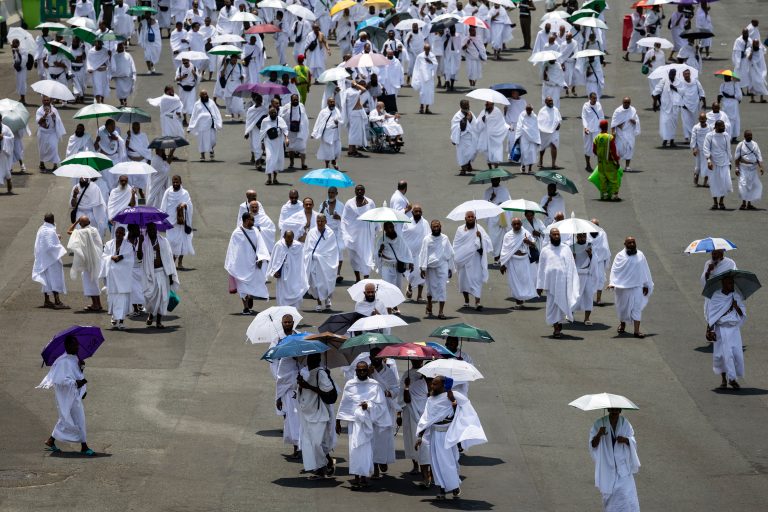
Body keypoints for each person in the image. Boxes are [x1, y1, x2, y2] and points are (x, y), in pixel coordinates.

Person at [415, 375, 487, 500]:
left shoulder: (454, 395)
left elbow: (463, 412)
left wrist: (453, 402)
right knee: (436, 463)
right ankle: (441, 489)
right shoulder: (430, 400)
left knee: (448, 462)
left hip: (448, 435)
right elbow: (426, 419)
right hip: (434, 435)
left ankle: (454, 485)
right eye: (432, 384)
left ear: (443, 385)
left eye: (435, 384)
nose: (432, 386)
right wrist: (420, 436)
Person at [336, 361, 392, 489]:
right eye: (359, 370)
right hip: (354, 423)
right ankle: (356, 477)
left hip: (368, 423)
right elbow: (344, 403)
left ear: (368, 371)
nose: (362, 372)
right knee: (354, 449)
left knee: (367, 450)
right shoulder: (350, 385)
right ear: (355, 371)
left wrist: (369, 406)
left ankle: (364, 477)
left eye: (364, 370)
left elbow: (381, 405)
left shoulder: (374, 385)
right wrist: (338, 421)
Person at [38, 336, 94, 456]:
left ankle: (51, 440)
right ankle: (84, 446)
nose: (77, 346)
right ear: (67, 346)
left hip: (73, 394)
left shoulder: (75, 359)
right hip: (66, 395)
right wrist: (76, 383)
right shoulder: (62, 361)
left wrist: (81, 368)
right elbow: (60, 381)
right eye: (74, 344)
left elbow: (76, 374)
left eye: (77, 344)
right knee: (75, 418)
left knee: (70, 417)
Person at [589, 408, 641, 511]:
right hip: (607, 466)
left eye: (616, 412)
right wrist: (599, 434)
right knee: (611, 495)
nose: (614, 414)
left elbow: (633, 441)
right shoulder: (599, 423)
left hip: (623, 467)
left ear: (620, 411)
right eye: (612, 411)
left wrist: (625, 440)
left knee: (626, 494)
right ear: (608, 410)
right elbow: (593, 445)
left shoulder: (625, 423)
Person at [297, 353, 337, 479]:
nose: (309, 362)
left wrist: (308, 386)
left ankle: (322, 468)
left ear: (317, 361)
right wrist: (301, 383)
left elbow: (328, 391)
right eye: (308, 359)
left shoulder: (321, 373)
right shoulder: (309, 373)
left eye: (312, 359)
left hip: (319, 413)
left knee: (316, 443)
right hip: (308, 413)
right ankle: (326, 464)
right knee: (314, 443)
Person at [706, 275, 747, 390]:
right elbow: (712, 315)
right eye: (729, 283)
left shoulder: (736, 296)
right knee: (722, 356)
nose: (732, 285)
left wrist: (736, 306)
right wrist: (711, 330)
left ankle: (733, 377)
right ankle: (728, 379)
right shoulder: (716, 296)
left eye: (732, 283)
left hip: (734, 330)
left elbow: (742, 313)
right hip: (721, 329)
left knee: (736, 354)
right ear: (724, 284)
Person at [536, 228, 579, 338]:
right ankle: (556, 326)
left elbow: (571, 266)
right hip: (550, 284)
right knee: (552, 305)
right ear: (550, 236)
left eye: (558, 235)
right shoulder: (545, 250)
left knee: (561, 305)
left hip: (563, 283)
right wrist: (539, 286)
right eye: (554, 235)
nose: (556, 237)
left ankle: (558, 325)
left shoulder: (566, 249)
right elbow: (541, 269)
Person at [226, 212, 271, 315]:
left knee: (253, 283)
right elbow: (233, 250)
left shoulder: (255, 231)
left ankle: (250, 296)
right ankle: (245, 307)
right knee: (242, 286)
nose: (253, 222)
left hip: (254, 264)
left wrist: (261, 257)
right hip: (241, 264)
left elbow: (261, 245)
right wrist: (233, 264)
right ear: (246, 220)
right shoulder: (237, 233)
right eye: (251, 220)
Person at [609, 237, 653, 339]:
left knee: (636, 309)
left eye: (633, 242)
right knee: (623, 308)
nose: (632, 244)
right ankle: (622, 325)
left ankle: (636, 331)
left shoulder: (640, 255)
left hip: (637, 286)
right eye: (629, 243)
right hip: (622, 288)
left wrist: (646, 284)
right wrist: (612, 283)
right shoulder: (620, 256)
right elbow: (615, 271)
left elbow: (645, 270)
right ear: (625, 244)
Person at [398, 359, 431, 485]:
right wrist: (398, 413)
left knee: (426, 443)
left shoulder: (433, 382)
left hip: (426, 416)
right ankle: (416, 464)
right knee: (412, 438)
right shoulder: (407, 374)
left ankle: (430, 472)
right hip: (411, 412)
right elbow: (403, 395)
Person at [452, 211, 492, 311]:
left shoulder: (480, 229)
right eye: (468, 217)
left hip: (475, 259)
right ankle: (466, 301)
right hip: (463, 259)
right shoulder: (460, 229)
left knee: (476, 279)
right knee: (464, 281)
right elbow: (456, 244)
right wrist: (459, 256)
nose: (470, 218)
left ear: (475, 218)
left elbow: (487, 242)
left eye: (472, 217)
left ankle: (477, 302)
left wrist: (480, 237)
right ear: (465, 219)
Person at [141, 222, 178, 329]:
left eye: (154, 229)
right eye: (150, 229)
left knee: (162, 297)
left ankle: (158, 321)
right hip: (150, 274)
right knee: (150, 297)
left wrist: (170, 276)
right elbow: (139, 257)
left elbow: (169, 259)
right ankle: (151, 314)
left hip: (163, 273)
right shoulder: (144, 243)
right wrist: (139, 244)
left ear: (156, 229)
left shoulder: (163, 241)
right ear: (147, 230)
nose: (152, 231)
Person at [419, 220, 455, 319]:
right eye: (434, 227)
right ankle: (429, 304)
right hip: (430, 267)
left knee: (442, 288)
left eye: (437, 226)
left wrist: (450, 268)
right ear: (431, 228)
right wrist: (422, 268)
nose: (436, 228)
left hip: (442, 266)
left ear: (440, 227)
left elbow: (450, 254)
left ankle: (441, 312)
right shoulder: (427, 239)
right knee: (430, 289)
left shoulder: (445, 238)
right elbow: (423, 254)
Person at [66, 216, 103, 312]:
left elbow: (69, 231)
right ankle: (97, 304)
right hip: (95, 259)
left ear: (80, 224)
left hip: (88, 261)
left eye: (80, 223)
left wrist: (76, 221)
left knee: (90, 282)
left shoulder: (82, 232)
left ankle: (96, 305)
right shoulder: (94, 230)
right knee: (93, 281)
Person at [32, 213, 69, 310]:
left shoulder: (42, 229)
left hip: (43, 260)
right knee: (55, 279)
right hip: (52, 260)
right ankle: (57, 302)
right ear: (52, 220)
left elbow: (41, 243)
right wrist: (59, 242)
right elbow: (50, 246)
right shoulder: (50, 231)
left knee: (46, 280)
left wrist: (56, 237)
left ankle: (47, 300)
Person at [341, 185, 377, 282]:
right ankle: (357, 278)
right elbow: (344, 219)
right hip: (353, 235)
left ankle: (366, 278)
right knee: (354, 258)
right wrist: (345, 234)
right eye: (358, 190)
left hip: (366, 235)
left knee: (366, 256)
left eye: (361, 190)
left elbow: (375, 216)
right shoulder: (349, 203)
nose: (360, 191)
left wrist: (376, 228)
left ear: (364, 191)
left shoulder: (370, 203)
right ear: (355, 191)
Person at [101, 226, 134, 330]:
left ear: (124, 235)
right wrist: (111, 257)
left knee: (123, 299)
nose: (118, 235)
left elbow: (130, 260)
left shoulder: (129, 246)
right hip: (112, 277)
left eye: (121, 233)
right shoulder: (108, 244)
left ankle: (121, 321)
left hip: (123, 278)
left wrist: (121, 257)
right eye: (117, 233)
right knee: (113, 298)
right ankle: (114, 318)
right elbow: (103, 256)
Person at [499, 217, 537, 309]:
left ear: (521, 224)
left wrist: (528, 242)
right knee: (515, 282)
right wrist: (503, 264)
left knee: (524, 280)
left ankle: (522, 298)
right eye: (514, 224)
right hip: (513, 261)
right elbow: (504, 250)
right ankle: (518, 302)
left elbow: (534, 244)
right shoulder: (507, 235)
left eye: (518, 224)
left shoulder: (526, 233)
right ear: (511, 225)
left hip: (524, 260)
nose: (516, 226)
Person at [303, 214, 339, 311]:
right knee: (315, 284)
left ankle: (327, 299)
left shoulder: (330, 233)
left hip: (326, 263)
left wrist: (321, 257)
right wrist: (310, 256)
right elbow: (307, 248)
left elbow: (332, 250)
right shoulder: (311, 232)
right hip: (313, 262)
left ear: (326, 222)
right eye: (318, 221)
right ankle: (318, 302)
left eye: (322, 221)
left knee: (326, 282)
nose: (320, 223)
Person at [267, 231, 308, 309]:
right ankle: (284, 317)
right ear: (284, 237)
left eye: (291, 240)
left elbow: (301, 263)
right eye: (287, 240)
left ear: (293, 238)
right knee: (282, 296)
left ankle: (293, 317)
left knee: (296, 293)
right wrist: (273, 272)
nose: (289, 242)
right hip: (282, 277)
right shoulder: (279, 245)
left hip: (294, 276)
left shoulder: (298, 246)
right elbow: (274, 261)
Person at [161, 175, 195, 268]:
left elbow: (189, 205)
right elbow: (163, 205)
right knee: (171, 242)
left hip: (181, 223)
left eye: (177, 182)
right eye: (174, 182)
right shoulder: (168, 192)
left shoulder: (185, 193)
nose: (175, 184)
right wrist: (163, 219)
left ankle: (179, 263)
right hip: (170, 222)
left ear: (181, 182)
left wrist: (185, 205)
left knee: (182, 242)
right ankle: (171, 263)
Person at [703, 120, 733, 210]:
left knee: (724, 182)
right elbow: (706, 148)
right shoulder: (709, 136)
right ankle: (715, 202)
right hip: (713, 163)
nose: (723, 128)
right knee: (714, 183)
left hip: (724, 162)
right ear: (715, 127)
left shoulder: (726, 135)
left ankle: (722, 201)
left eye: (723, 126)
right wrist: (708, 160)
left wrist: (730, 161)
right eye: (721, 126)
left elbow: (728, 149)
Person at [403, 205, 430, 302]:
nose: (418, 213)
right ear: (412, 212)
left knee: (422, 274)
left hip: (422, 254)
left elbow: (429, 237)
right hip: (410, 253)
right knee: (412, 274)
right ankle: (409, 285)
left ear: (421, 213)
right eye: (416, 211)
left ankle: (419, 296)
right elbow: (404, 236)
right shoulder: (407, 222)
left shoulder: (425, 223)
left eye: (419, 211)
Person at [187, 89, 222, 162]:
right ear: (200, 96)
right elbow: (194, 116)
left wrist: (218, 122)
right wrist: (190, 127)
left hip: (210, 125)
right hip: (201, 126)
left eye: (206, 94)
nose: (205, 96)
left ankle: (211, 149)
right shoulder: (197, 104)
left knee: (213, 140)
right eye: (204, 94)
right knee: (201, 141)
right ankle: (202, 155)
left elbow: (216, 112)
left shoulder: (211, 102)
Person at [734, 130, 764, 210]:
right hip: (743, 168)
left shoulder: (755, 144)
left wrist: (761, 167)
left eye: (751, 135)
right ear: (744, 136)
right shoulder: (740, 145)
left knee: (753, 185)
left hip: (753, 168)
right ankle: (743, 203)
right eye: (748, 136)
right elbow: (737, 158)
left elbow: (759, 156)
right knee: (743, 185)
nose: (750, 137)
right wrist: (736, 168)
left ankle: (749, 203)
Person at [474, 101, 508, 170]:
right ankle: (490, 169)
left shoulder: (497, 112)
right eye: (486, 103)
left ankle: (496, 168)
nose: (485, 104)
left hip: (495, 137)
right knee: (487, 155)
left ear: (492, 104)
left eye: (487, 104)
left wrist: (508, 127)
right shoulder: (483, 112)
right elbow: (477, 124)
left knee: (496, 154)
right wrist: (482, 121)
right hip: (486, 137)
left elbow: (502, 122)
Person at [483, 178, 511, 261]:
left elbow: (509, 203)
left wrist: (501, 204)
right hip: (492, 217)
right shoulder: (487, 191)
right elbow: (484, 205)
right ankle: (496, 255)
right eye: (493, 180)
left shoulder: (504, 190)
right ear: (491, 180)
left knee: (504, 236)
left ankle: (501, 257)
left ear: (499, 180)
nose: (495, 181)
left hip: (503, 215)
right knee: (494, 237)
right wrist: (491, 198)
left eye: (497, 179)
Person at [593, 120, 622, 201]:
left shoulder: (597, 138)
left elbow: (594, 150)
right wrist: (616, 161)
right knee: (613, 179)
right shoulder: (610, 137)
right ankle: (614, 195)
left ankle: (604, 195)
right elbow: (613, 151)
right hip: (609, 162)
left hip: (601, 163)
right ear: (607, 127)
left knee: (603, 179)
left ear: (600, 127)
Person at [36, 96, 66, 172]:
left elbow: (58, 122)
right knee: (42, 149)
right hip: (43, 133)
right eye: (44, 100)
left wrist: (54, 117)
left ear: (50, 101)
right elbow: (38, 122)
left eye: (47, 100)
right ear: (42, 101)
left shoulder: (54, 110)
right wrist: (45, 115)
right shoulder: (39, 110)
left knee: (53, 147)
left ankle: (55, 165)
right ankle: (42, 164)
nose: (46, 101)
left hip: (52, 132)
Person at [312, 97, 343, 169]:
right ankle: (327, 166)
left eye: (333, 102)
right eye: (331, 102)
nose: (332, 103)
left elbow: (341, 121)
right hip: (327, 134)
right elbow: (318, 122)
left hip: (335, 133)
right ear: (327, 103)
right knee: (327, 150)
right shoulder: (323, 112)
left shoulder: (337, 110)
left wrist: (338, 122)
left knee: (336, 150)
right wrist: (314, 133)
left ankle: (333, 161)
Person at [259, 107, 288, 186]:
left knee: (277, 160)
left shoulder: (280, 120)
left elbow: (285, 129)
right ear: (269, 113)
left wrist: (286, 139)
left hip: (278, 143)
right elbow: (262, 132)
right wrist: (262, 143)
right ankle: (269, 178)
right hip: (268, 142)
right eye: (271, 113)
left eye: (274, 113)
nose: (273, 114)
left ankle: (275, 178)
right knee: (269, 158)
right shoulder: (265, 121)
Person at [610, 98, 641, 172]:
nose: (626, 104)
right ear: (622, 102)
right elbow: (613, 122)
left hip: (629, 133)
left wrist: (634, 122)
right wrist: (613, 133)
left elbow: (637, 120)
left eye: (628, 102)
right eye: (625, 102)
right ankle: (617, 165)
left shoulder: (633, 110)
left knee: (629, 149)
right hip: (620, 133)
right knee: (619, 149)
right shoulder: (618, 111)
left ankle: (627, 166)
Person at [280, 94, 309, 170]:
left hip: (300, 130)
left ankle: (303, 164)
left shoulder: (301, 106)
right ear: (291, 100)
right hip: (290, 130)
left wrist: (304, 127)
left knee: (302, 147)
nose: (295, 101)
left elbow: (304, 117)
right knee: (290, 148)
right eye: (294, 99)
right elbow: (281, 115)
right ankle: (291, 163)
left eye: (297, 99)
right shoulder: (287, 107)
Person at [451, 100, 477, 175]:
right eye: (466, 106)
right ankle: (463, 169)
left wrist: (470, 118)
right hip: (462, 138)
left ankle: (468, 163)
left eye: (468, 105)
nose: (468, 107)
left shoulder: (470, 113)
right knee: (462, 153)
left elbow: (475, 124)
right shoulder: (457, 116)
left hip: (470, 136)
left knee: (470, 152)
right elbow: (455, 127)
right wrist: (466, 119)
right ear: (461, 106)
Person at [538, 96, 562, 169]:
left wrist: (559, 125)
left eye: (551, 100)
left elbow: (559, 119)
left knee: (554, 146)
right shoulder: (542, 111)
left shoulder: (555, 109)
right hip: (544, 132)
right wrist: (544, 128)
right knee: (542, 148)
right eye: (549, 101)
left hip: (554, 132)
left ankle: (553, 164)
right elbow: (539, 121)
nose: (551, 102)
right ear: (546, 102)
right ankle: (540, 160)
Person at [413, 43, 437, 115]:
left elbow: (436, 64)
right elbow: (416, 67)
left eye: (428, 49)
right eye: (426, 49)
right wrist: (416, 77)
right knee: (422, 93)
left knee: (429, 93)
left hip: (429, 78)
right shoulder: (420, 56)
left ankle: (427, 108)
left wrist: (431, 61)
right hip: (422, 77)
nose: (427, 51)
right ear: (424, 49)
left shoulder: (432, 56)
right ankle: (421, 107)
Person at [582, 93, 604, 173]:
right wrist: (585, 127)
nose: (595, 100)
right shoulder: (585, 106)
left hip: (597, 129)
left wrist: (602, 128)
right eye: (593, 98)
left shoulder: (598, 105)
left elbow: (602, 117)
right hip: (588, 130)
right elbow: (583, 117)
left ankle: (600, 166)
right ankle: (588, 165)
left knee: (599, 148)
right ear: (589, 98)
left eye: (596, 98)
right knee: (587, 147)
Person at [515, 104, 540, 174]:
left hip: (533, 138)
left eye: (530, 110)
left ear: (532, 110)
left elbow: (536, 128)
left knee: (532, 153)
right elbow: (519, 126)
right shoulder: (522, 115)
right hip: (524, 137)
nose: (528, 111)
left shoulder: (534, 117)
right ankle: (523, 166)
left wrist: (538, 139)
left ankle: (530, 169)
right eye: (527, 110)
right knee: (524, 152)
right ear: (525, 109)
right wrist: (517, 137)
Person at [718, 75, 742, 144]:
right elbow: (720, 94)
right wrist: (719, 98)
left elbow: (739, 96)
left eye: (727, 76)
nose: (725, 78)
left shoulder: (735, 84)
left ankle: (734, 137)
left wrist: (729, 96)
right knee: (725, 120)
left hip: (733, 104)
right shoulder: (722, 85)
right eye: (725, 76)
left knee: (734, 120)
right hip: (725, 105)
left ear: (730, 77)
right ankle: (726, 136)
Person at [690, 112, 711, 187]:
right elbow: (693, 139)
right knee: (698, 166)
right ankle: (696, 179)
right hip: (698, 150)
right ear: (698, 119)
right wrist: (694, 148)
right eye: (701, 120)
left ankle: (705, 182)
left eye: (704, 120)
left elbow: (712, 139)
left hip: (707, 150)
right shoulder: (695, 127)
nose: (702, 122)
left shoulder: (709, 127)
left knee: (707, 166)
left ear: (706, 119)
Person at [175, 58, 199, 124]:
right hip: (182, 88)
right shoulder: (180, 68)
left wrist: (194, 74)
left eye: (186, 62)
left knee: (192, 103)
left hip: (191, 88)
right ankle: (185, 119)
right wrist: (182, 77)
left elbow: (198, 79)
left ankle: (192, 120)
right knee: (183, 103)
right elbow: (176, 79)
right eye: (184, 62)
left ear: (189, 61)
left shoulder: (194, 67)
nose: (185, 64)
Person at [745, 39, 768, 103]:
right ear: (752, 44)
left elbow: (764, 50)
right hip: (752, 69)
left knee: (761, 82)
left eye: (757, 43)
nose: (756, 45)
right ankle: (752, 98)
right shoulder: (749, 50)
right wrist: (752, 51)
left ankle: (761, 98)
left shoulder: (760, 49)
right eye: (755, 44)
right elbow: (749, 58)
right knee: (752, 83)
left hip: (761, 69)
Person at [0, 118, 14, 194]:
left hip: (3, 153)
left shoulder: (6, 128)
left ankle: (9, 185)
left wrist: (4, 138)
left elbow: (12, 138)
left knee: (6, 171)